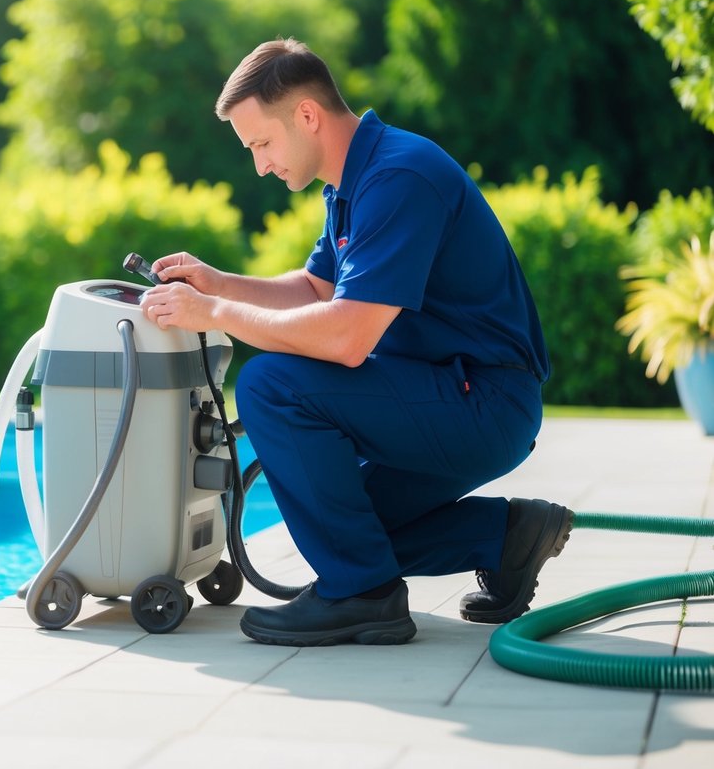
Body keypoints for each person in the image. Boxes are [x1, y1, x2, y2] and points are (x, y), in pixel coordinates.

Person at [140, 37, 572, 647]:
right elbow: (318, 290)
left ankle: (364, 597)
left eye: (261, 144)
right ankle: (508, 537)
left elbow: (345, 338)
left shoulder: (399, 176)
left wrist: (213, 310)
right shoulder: (354, 181)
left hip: (482, 402)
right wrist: (219, 282)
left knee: (268, 383)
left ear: (307, 116)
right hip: (451, 396)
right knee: (347, 525)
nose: (259, 165)